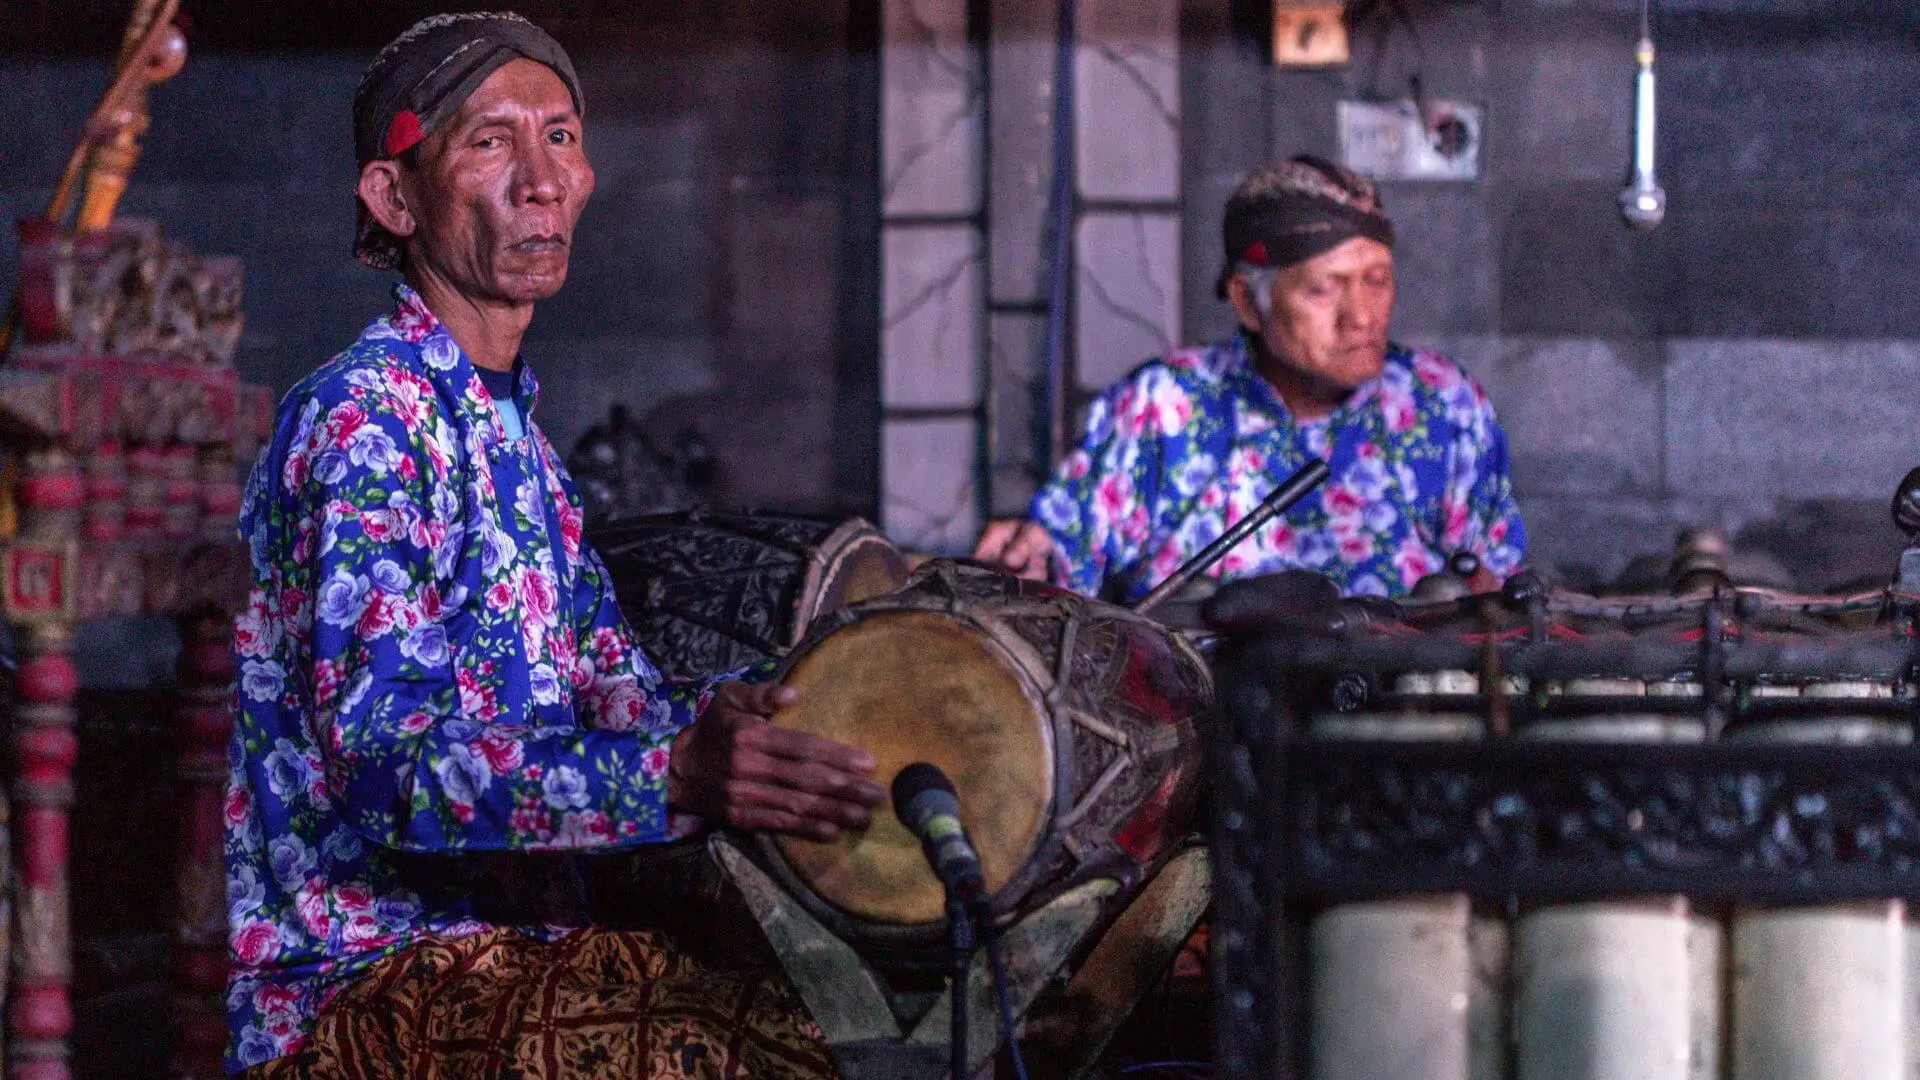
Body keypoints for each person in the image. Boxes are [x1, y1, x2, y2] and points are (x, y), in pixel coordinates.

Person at [224, 13, 879, 1077]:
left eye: (562, 136)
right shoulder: (361, 423)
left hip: (523, 964)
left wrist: (788, 714)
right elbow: (386, 771)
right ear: (395, 198)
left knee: (864, 1019)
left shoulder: (517, 441)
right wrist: (674, 773)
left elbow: (620, 692)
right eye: (489, 141)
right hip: (366, 989)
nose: (540, 178)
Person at [974, 156, 1527, 602]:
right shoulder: (1167, 406)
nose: (1362, 316)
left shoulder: (1441, 403)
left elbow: (1494, 584)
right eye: (1324, 288)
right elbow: (1065, 553)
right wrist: (1030, 556)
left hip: (1401, 721)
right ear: (1247, 301)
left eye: (1377, 281)